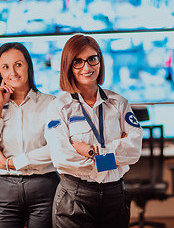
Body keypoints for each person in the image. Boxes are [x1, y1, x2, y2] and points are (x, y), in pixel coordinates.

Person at [44, 33, 143, 228]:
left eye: (92, 59)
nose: (87, 67)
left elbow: (133, 151)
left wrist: (92, 152)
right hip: (75, 197)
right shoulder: (59, 108)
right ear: (68, 66)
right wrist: (114, 153)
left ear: (100, 60)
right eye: (78, 62)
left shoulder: (119, 103)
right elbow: (62, 158)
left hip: (115, 195)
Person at [0, 42, 60, 228]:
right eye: (5, 67)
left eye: (18, 64)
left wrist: (13, 162)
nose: (13, 72)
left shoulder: (51, 103)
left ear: (28, 66)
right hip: (4, 188)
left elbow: (56, 148)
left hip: (45, 187)